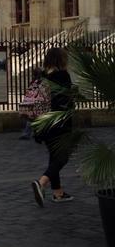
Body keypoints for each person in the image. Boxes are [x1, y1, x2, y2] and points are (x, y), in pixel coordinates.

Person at [31, 48, 74, 207]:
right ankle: (41, 182)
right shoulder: (62, 76)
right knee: (63, 157)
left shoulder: (40, 76)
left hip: (42, 123)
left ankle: (58, 193)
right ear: (61, 60)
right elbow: (65, 101)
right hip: (58, 123)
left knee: (53, 156)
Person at [19, 66, 44, 140]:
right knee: (34, 118)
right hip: (37, 102)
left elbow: (29, 92)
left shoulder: (35, 82)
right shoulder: (39, 82)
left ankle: (29, 134)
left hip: (34, 102)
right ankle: (33, 133)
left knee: (32, 118)